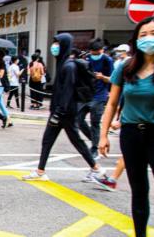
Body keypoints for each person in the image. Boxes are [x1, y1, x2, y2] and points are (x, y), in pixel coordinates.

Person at [98, 16, 154, 237]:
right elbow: (112, 103)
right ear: (136, 40)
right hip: (131, 134)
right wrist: (103, 136)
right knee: (139, 191)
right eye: (143, 35)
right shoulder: (125, 67)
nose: (149, 39)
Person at [22, 33, 105, 182]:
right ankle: (40, 171)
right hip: (61, 111)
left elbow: (67, 91)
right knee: (48, 140)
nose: (54, 46)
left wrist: (58, 113)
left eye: (57, 43)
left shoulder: (69, 66)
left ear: (65, 45)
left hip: (65, 112)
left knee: (75, 140)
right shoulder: (63, 63)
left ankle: (96, 169)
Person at [77, 38, 114, 159]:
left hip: (100, 94)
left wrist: (103, 77)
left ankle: (94, 148)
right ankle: (94, 140)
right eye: (93, 52)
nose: (95, 55)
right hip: (87, 95)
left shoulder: (107, 60)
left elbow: (113, 78)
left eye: (97, 53)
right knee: (79, 119)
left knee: (95, 122)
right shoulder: (87, 58)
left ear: (102, 50)